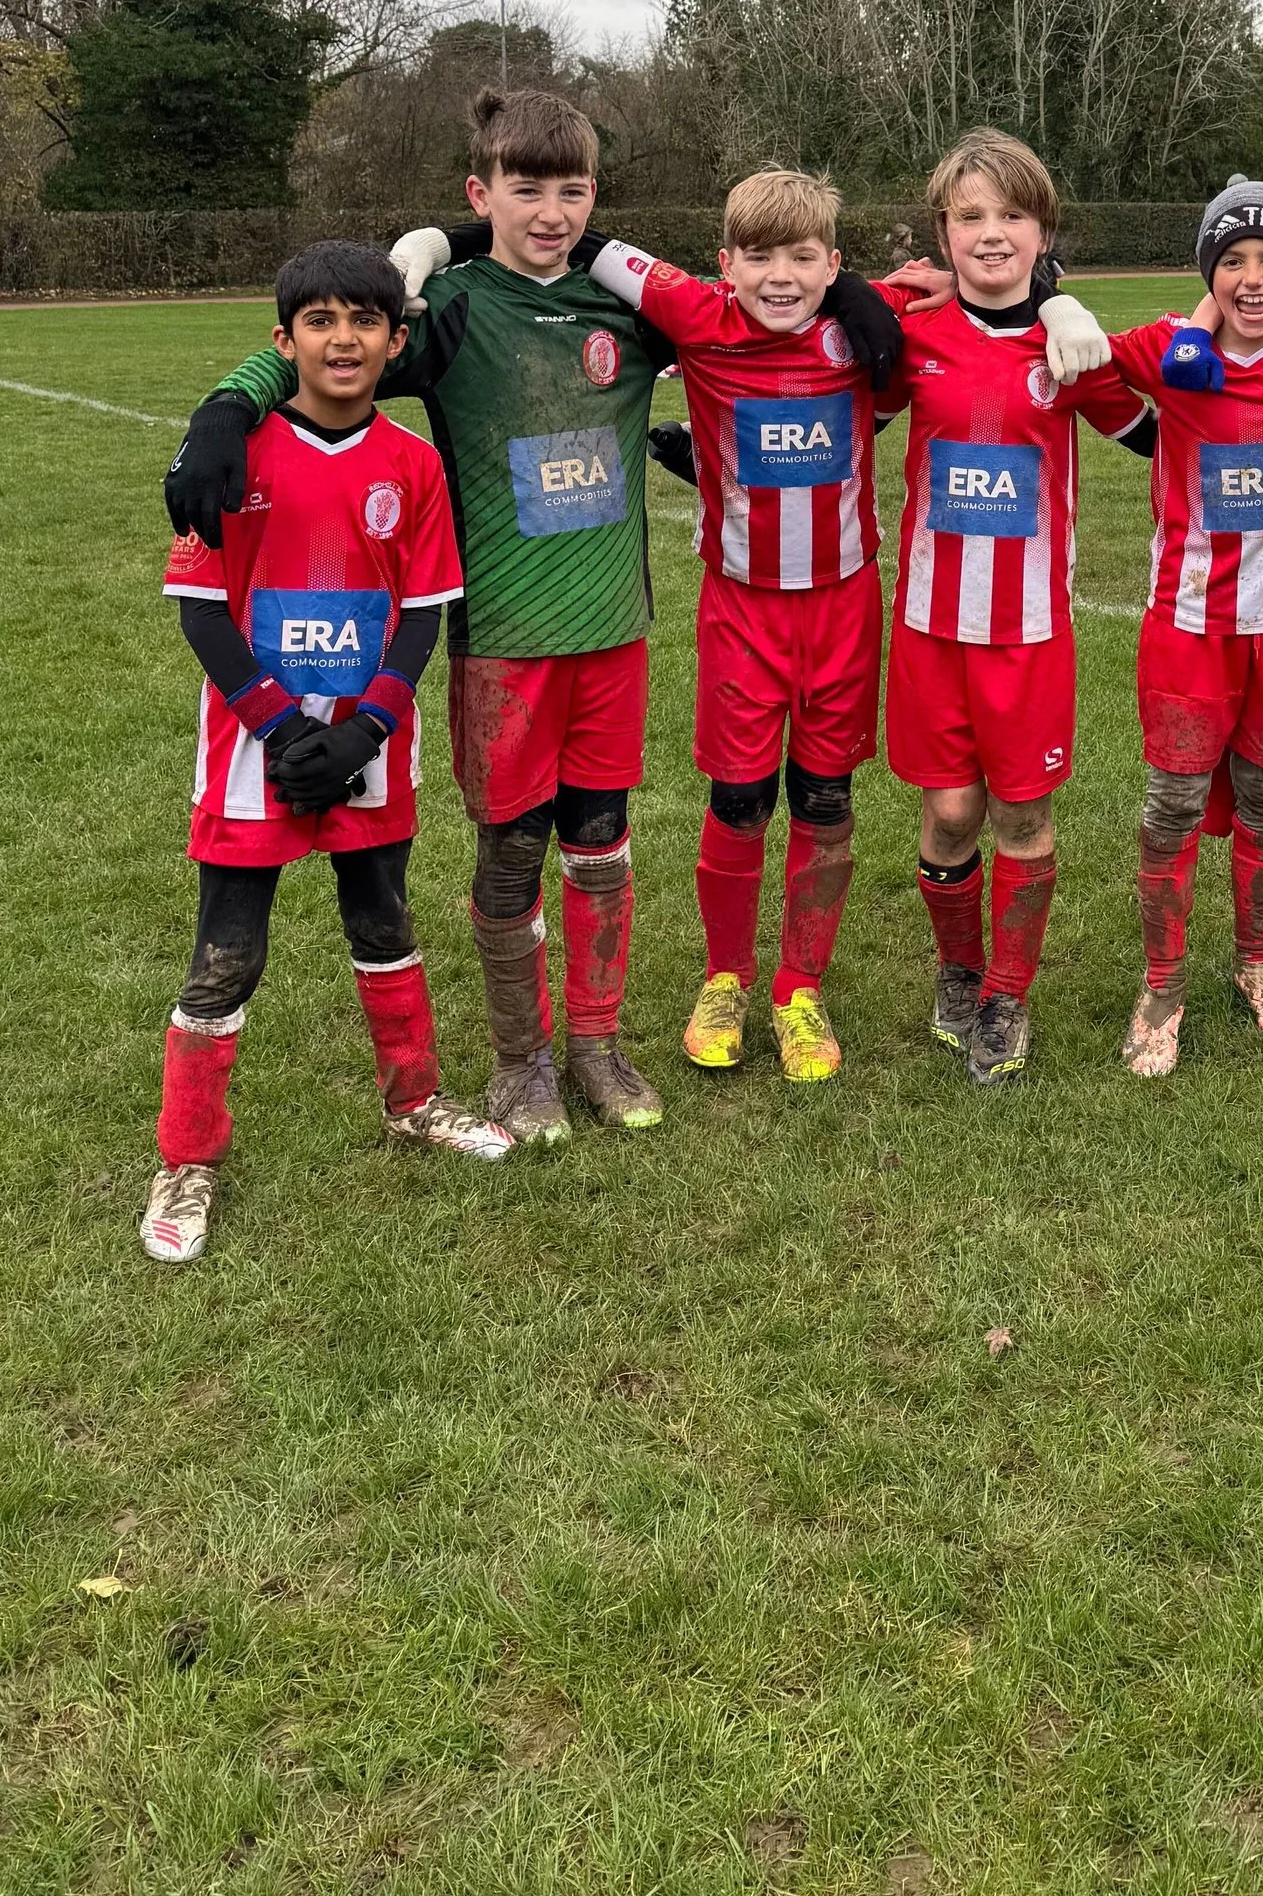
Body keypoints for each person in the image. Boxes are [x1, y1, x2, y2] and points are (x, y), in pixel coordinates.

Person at [166, 88, 680, 1144]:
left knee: (601, 843)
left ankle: (596, 1044)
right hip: (503, 645)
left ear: (596, 197)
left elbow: (764, 309)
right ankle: (521, 1061)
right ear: (478, 191)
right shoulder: (448, 312)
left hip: (613, 631)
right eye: (523, 189)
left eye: (571, 190)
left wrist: (1016, 292)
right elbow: (330, 346)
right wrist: (228, 403)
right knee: (510, 855)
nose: (550, 211)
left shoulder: (628, 310)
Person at [142, 243, 508, 1264]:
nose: (342, 339)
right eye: (320, 321)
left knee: (383, 919)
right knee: (229, 954)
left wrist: (364, 730)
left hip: (368, 748)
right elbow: (204, 614)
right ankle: (187, 1159)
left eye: (365, 322)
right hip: (255, 748)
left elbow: (422, 621)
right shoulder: (240, 452)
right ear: (283, 339)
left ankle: (416, 1102)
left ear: (397, 341)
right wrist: (277, 724)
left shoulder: (413, 463)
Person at [578, 171, 902, 1084]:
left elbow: (973, 272)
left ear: (834, 264)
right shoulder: (697, 315)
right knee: (740, 798)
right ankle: (726, 975)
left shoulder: (852, 328)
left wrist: (871, 296)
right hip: (741, 608)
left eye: (804, 256)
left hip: (843, 606)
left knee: (826, 797)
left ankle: (801, 986)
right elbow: (578, 239)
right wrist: (439, 242)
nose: (780, 274)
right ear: (724, 264)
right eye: (758, 255)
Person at [877, 130, 1149, 1087]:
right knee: (950, 813)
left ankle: (1006, 993)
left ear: (1042, 229)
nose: (992, 233)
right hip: (929, 626)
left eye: (1013, 215)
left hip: (1029, 633)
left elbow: (1160, 435)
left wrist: (1074, 315)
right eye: (971, 216)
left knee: (1023, 817)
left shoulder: (1068, 345)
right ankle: (957, 969)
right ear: (944, 233)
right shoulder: (910, 335)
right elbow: (814, 365)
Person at [1101, 180, 1263, 1076]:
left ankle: (1258, 961)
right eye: (1230, 260)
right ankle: (1162, 981)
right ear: (1207, 272)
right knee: (1173, 804)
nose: (1251, 277)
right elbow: (1066, 358)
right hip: (1188, 623)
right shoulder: (1168, 348)